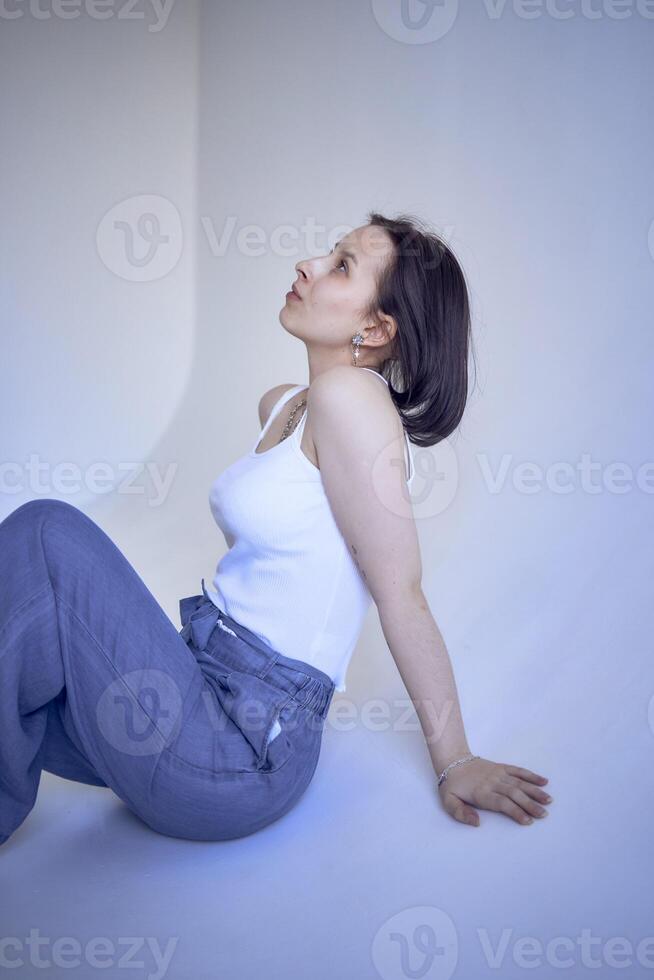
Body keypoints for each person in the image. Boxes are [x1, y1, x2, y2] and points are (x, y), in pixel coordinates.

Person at [0, 211, 551, 846]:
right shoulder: (286, 405)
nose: (308, 266)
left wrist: (456, 759)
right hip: (191, 684)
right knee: (34, 666)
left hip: (238, 746)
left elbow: (402, 591)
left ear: (375, 327)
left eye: (341, 266)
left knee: (48, 534)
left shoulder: (354, 401)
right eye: (327, 253)